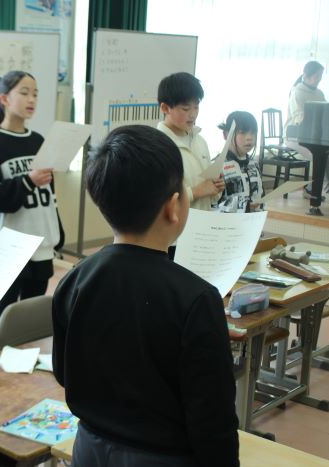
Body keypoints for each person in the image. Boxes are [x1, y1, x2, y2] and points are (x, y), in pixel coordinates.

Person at [52, 125, 239, 466]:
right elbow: (213, 419)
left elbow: (65, 373)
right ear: (173, 207)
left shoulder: (74, 280)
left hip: (89, 449)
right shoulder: (197, 298)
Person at [0, 70, 64, 352]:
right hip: (10, 245)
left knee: (32, 310)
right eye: (24, 93)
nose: (32, 100)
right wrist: (28, 181)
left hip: (40, 242)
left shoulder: (38, 140)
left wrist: (57, 232)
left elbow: (50, 194)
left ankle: (26, 362)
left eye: (35, 94)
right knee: (5, 311)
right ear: (4, 98)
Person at [157, 72, 225, 213]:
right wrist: (195, 192)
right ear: (165, 108)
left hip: (203, 221)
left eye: (196, 106)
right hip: (176, 225)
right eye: (186, 108)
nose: (193, 114)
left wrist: (216, 187)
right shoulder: (157, 146)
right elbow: (157, 202)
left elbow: (210, 196)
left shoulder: (200, 141)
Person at [284, 61, 329, 204]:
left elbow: (327, 113)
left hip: (314, 136)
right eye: (317, 76)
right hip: (295, 136)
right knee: (319, 156)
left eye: (321, 76)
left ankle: (310, 188)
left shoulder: (319, 93)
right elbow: (298, 117)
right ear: (307, 75)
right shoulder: (297, 92)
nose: (319, 79)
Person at [217, 111, 265, 213]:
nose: (249, 138)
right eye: (242, 132)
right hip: (228, 221)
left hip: (255, 220)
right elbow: (213, 205)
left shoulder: (254, 164)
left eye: (253, 133)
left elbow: (261, 194)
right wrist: (245, 206)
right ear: (226, 135)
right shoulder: (218, 166)